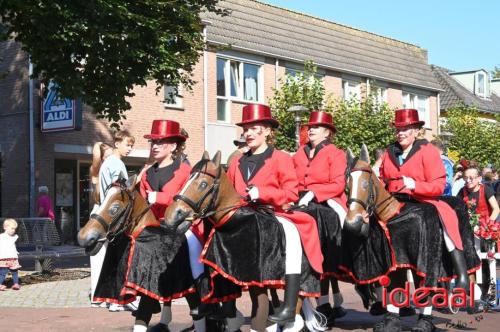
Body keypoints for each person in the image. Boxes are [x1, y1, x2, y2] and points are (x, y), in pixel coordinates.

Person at [226, 104, 324, 330]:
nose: (248, 133)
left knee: (290, 233)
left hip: (273, 214)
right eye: (246, 129)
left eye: (254, 128)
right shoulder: (236, 162)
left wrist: (263, 193)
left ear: (269, 131)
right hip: (245, 218)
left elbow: (290, 193)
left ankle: (290, 304)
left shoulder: (280, 158)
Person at [378, 109, 470, 331]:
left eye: (406, 129)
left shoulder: (427, 151)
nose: (401, 133)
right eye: (398, 129)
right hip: (396, 207)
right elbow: (381, 179)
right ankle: (392, 315)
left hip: (422, 203)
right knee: (393, 265)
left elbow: (439, 186)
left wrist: (414, 185)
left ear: (417, 131)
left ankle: (426, 316)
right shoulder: (389, 152)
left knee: (426, 252)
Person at [135, 120, 209, 332]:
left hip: (183, 228)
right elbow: (142, 205)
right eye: (153, 142)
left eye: (161, 142)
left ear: (174, 146)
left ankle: (201, 287)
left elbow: (186, 201)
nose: (155, 146)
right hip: (156, 230)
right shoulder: (147, 173)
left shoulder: (185, 171)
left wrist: (159, 197)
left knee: (193, 267)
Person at [292, 111, 348, 326]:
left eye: (316, 127)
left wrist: (314, 193)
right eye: (310, 126)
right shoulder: (299, 153)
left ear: (327, 132)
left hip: (327, 202)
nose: (311, 129)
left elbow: (337, 184)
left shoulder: (336, 153)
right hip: (300, 201)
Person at [90, 130, 135, 311]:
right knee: (117, 256)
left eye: (131, 145)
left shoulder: (108, 162)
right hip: (113, 217)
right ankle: (115, 299)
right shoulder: (116, 164)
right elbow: (119, 192)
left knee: (103, 257)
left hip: (103, 214)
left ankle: (102, 297)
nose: (130, 148)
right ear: (117, 144)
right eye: (128, 144)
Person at [0, 218, 22, 291]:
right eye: (12, 228)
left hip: (13, 258)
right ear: (5, 227)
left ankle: (16, 283)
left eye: (14, 229)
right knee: (3, 273)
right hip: (4, 258)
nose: (13, 230)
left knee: (15, 272)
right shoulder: (1, 236)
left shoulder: (14, 237)